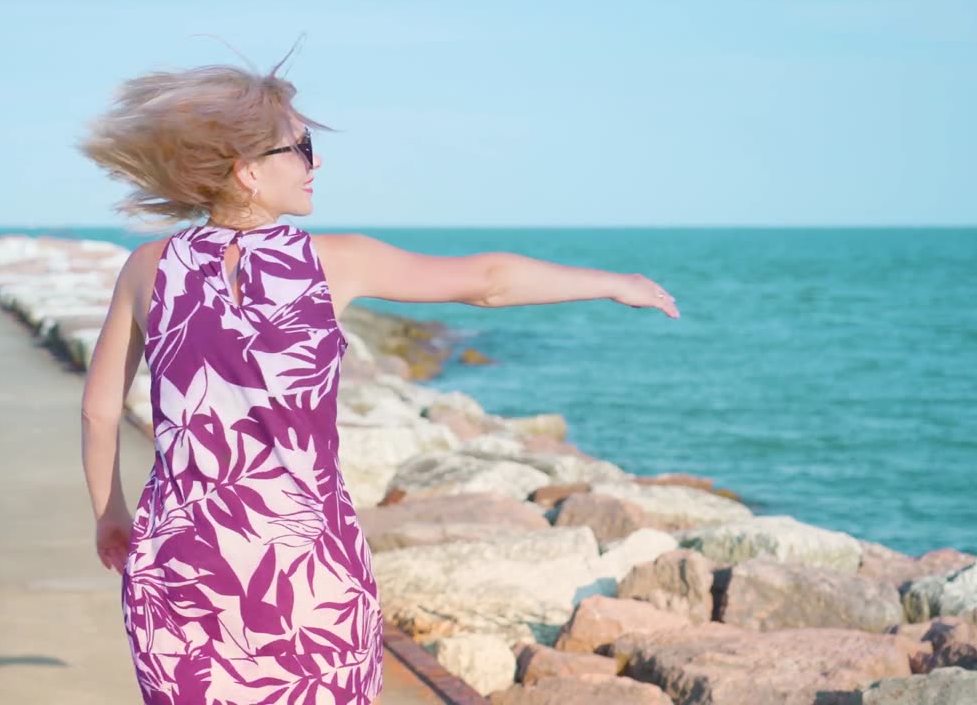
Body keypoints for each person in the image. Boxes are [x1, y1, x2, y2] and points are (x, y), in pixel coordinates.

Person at [78, 51, 680, 705]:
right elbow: (486, 282)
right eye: (302, 146)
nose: (318, 162)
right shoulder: (334, 262)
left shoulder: (148, 266)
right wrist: (613, 283)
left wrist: (111, 513)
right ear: (249, 171)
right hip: (305, 564)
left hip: (183, 557)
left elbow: (98, 411)